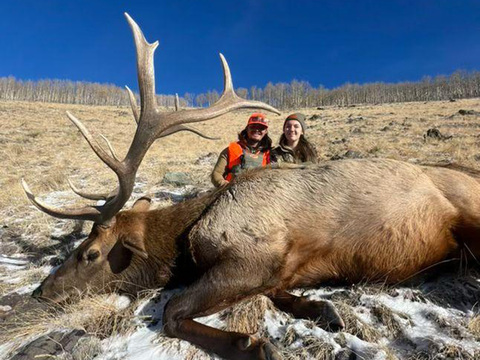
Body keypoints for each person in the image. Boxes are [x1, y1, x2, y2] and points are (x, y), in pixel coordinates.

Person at [211, 113, 273, 187]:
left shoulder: (270, 154)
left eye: (261, 128)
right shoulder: (230, 150)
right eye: (253, 126)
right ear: (247, 128)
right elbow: (216, 174)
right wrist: (226, 187)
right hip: (233, 194)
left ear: (265, 131)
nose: (256, 130)